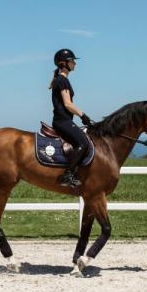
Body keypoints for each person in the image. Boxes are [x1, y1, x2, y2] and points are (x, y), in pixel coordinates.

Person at [49, 48, 93, 188]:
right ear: (63, 63)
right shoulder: (62, 80)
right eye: (72, 61)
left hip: (64, 120)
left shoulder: (61, 80)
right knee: (83, 143)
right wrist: (83, 115)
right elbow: (68, 104)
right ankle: (67, 175)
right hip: (62, 121)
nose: (74, 63)